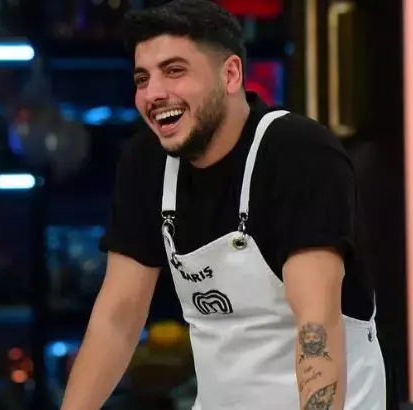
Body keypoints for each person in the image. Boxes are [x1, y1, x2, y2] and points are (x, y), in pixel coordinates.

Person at [60, 0, 386, 409]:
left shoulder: (298, 153)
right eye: (143, 78)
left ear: (230, 74)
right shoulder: (146, 161)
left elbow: (316, 322)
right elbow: (118, 317)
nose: (153, 93)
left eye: (174, 70)